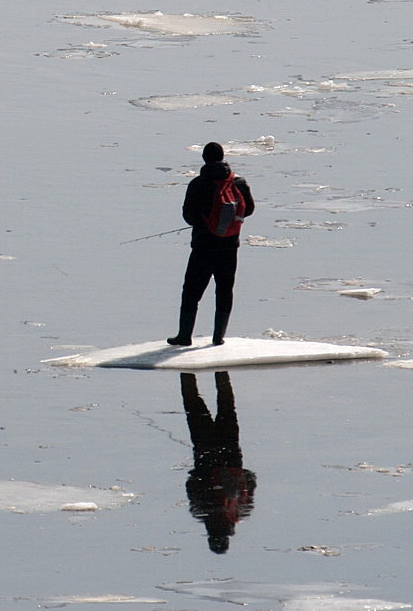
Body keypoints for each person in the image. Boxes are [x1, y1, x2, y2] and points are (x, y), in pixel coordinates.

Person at [167, 142, 254, 347]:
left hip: (203, 247)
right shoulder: (239, 182)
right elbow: (248, 209)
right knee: (224, 291)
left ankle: (184, 336)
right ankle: (218, 337)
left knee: (192, 292)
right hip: (230, 246)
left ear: (204, 159)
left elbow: (188, 216)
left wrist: (205, 221)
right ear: (223, 157)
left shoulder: (198, 183)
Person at [181, 372, 256, 554]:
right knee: (193, 404)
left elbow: (251, 480)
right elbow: (191, 485)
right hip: (205, 455)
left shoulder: (242, 512)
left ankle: (221, 371)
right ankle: (186, 372)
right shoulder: (201, 512)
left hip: (232, 455)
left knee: (227, 407)